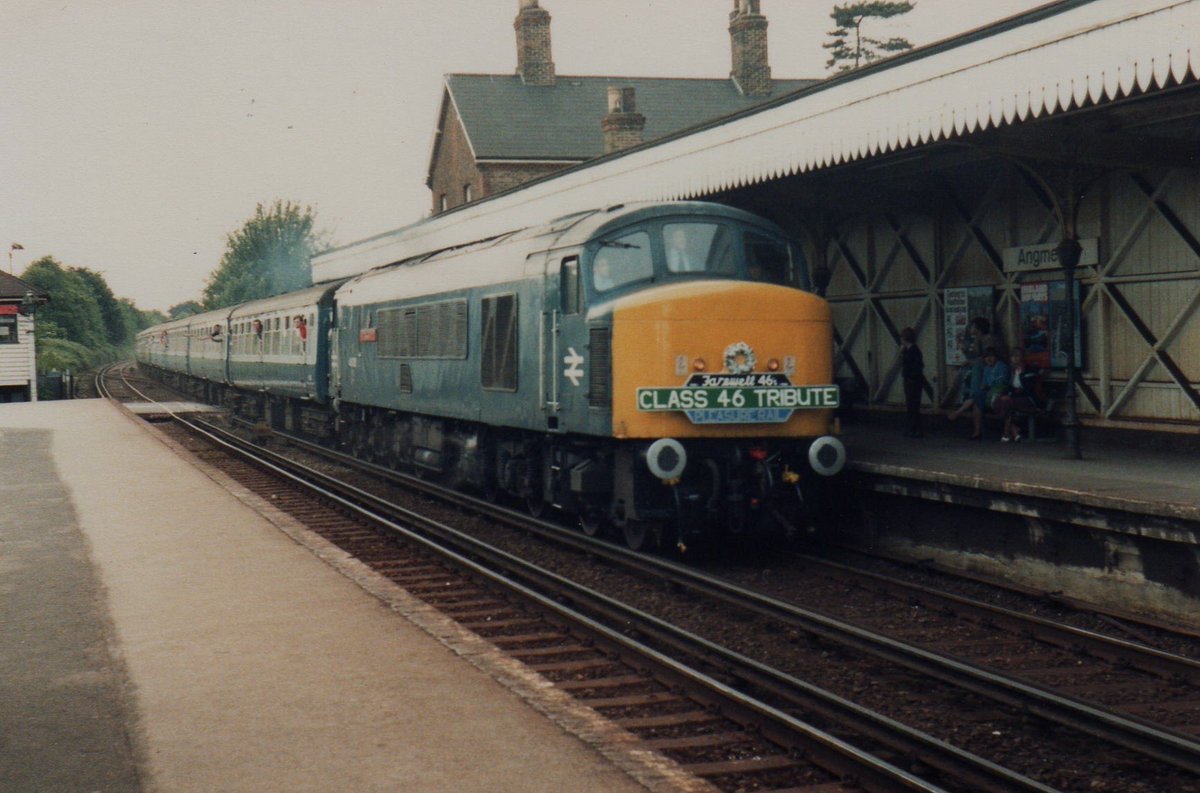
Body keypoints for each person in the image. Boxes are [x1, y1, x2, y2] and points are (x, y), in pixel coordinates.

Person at [949, 346, 1009, 440]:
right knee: (977, 400)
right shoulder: (986, 369)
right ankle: (977, 432)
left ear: (996, 357)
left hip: (1000, 391)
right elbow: (983, 384)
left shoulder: (1001, 366)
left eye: (991, 356)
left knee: (977, 396)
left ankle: (958, 412)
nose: (989, 359)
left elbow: (1001, 382)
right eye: (986, 357)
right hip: (989, 393)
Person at [991, 347, 1045, 442]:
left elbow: (1028, 389)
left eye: (1017, 356)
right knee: (997, 401)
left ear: (1022, 357)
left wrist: (1010, 395)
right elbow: (1011, 387)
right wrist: (1003, 394)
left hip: (1029, 399)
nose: (1015, 358)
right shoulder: (1013, 371)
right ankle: (1014, 429)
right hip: (1016, 398)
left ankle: (1006, 432)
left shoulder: (1029, 370)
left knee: (1006, 402)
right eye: (1013, 356)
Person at [899, 327, 925, 438]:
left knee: (912, 405)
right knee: (913, 405)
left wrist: (902, 354)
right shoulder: (914, 350)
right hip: (914, 380)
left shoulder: (911, 351)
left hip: (912, 380)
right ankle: (914, 428)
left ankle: (914, 428)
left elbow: (912, 365)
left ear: (904, 339)